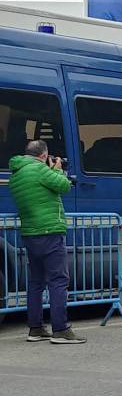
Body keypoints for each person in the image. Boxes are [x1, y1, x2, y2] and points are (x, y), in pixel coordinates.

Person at [8, 140, 86, 344]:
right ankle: (61, 329)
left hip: (30, 232)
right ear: (43, 155)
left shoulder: (17, 173)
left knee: (36, 282)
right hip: (50, 230)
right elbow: (64, 186)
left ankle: (36, 328)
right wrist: (58, 169)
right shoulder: (39, 170)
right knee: (58, 280)